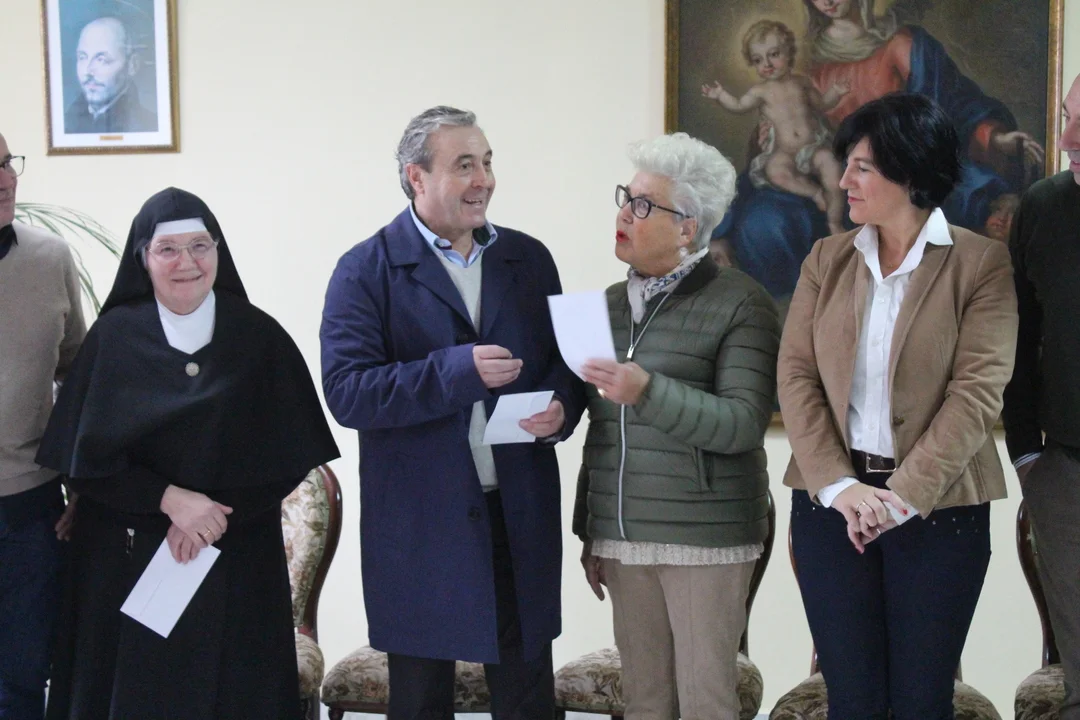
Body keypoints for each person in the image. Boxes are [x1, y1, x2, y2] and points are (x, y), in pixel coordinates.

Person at [320, 106, 585, 720]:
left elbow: (564, 366)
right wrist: (455, 372)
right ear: (416, 177)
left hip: (517, 514)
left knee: (527, 700)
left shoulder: (529, 259)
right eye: (464, 165)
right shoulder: (364, 270)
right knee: (421, 703)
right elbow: (348, 392)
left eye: (487, 162)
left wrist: (562, 408)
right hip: (421, 524)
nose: (483, 180)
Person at [35, 187, 340, 720]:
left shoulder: (259, 337)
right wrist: (168, 499)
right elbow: (81, 460)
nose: (187, 263)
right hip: (126, 558)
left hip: (237, 554)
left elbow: (290, 452)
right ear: (143, 258)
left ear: (218, 251)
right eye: (168, 249)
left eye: (200, 246)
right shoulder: (112, 339)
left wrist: (209, 520)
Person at [777, 92, 1018, 719]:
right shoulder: (825, 260)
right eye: (847, 165)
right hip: (833, 508)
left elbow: (977, 392)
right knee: (852, 701)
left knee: (920, 702)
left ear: (909, 172)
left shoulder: (981, 264)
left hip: (940, 510)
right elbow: (796, 376)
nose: (845, 181)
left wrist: (900, 497)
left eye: (862, 167)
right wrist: (840, 487)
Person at [574, 132, 779, 720]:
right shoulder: (607, 304)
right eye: (625, 198)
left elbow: (742, 423)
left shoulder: (742, 301)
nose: (623, 214)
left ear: (687, 227)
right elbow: (602, 429)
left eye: (642, 205)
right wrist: (591, 530)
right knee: (644, 703)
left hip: (705, 538)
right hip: (623, 537)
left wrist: (648, 391)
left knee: (705, 703)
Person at [715, 0, 1044, 305]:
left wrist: (993, 137)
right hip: (839, 182)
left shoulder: (905, 44)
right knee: (763, 224)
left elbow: (952, 108)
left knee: (971, 205)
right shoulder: (809, 66)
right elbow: (791, 134)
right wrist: (765, 140)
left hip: (909, 170)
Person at [1003, 71, 1080, 719]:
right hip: (1065, 470)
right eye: (1065, 117)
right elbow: (1017, 335)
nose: (1067, 139)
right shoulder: (1043, 207)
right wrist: (1028, 452)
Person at [0, 134, 85, 720]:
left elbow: (77, 377)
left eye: (6, 162)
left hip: (30, 512)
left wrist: (82, 487)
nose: (5, 179)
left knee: (23, 687)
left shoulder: (50, 258)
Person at [702, 19, 849, 234]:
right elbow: (738, 106)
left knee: (833, 170)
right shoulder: (760, 91)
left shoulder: (802, 82)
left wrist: (836, 92)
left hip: (813, 148)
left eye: (774, 54)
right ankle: (814, 192)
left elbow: (822, 104)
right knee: (775, 171)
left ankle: (834, 222)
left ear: (789, 53)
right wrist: (720, 95)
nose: (767, 64)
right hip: (784, 151)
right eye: (758, 60)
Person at [64, 16, 157, 135]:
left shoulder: (148, 125)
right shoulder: (66, 123)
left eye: (101, 60)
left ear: (132, 65)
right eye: (82, 57)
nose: (87, 71)